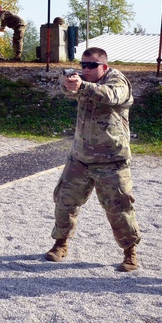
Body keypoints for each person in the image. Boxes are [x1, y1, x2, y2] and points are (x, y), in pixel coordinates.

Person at [45, 47, 141, 272]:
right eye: (83, 65)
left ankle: (130, 253)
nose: (85, 70)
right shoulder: (83, 81)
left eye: (91, 66)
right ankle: (60, 244)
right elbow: (67, 90)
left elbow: (111, 96)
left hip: (111, 160)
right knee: (65, 202)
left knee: (119, 208)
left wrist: (82, 85)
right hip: (80, 157)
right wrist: (69, 84)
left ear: (104, 67)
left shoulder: (118, 81)